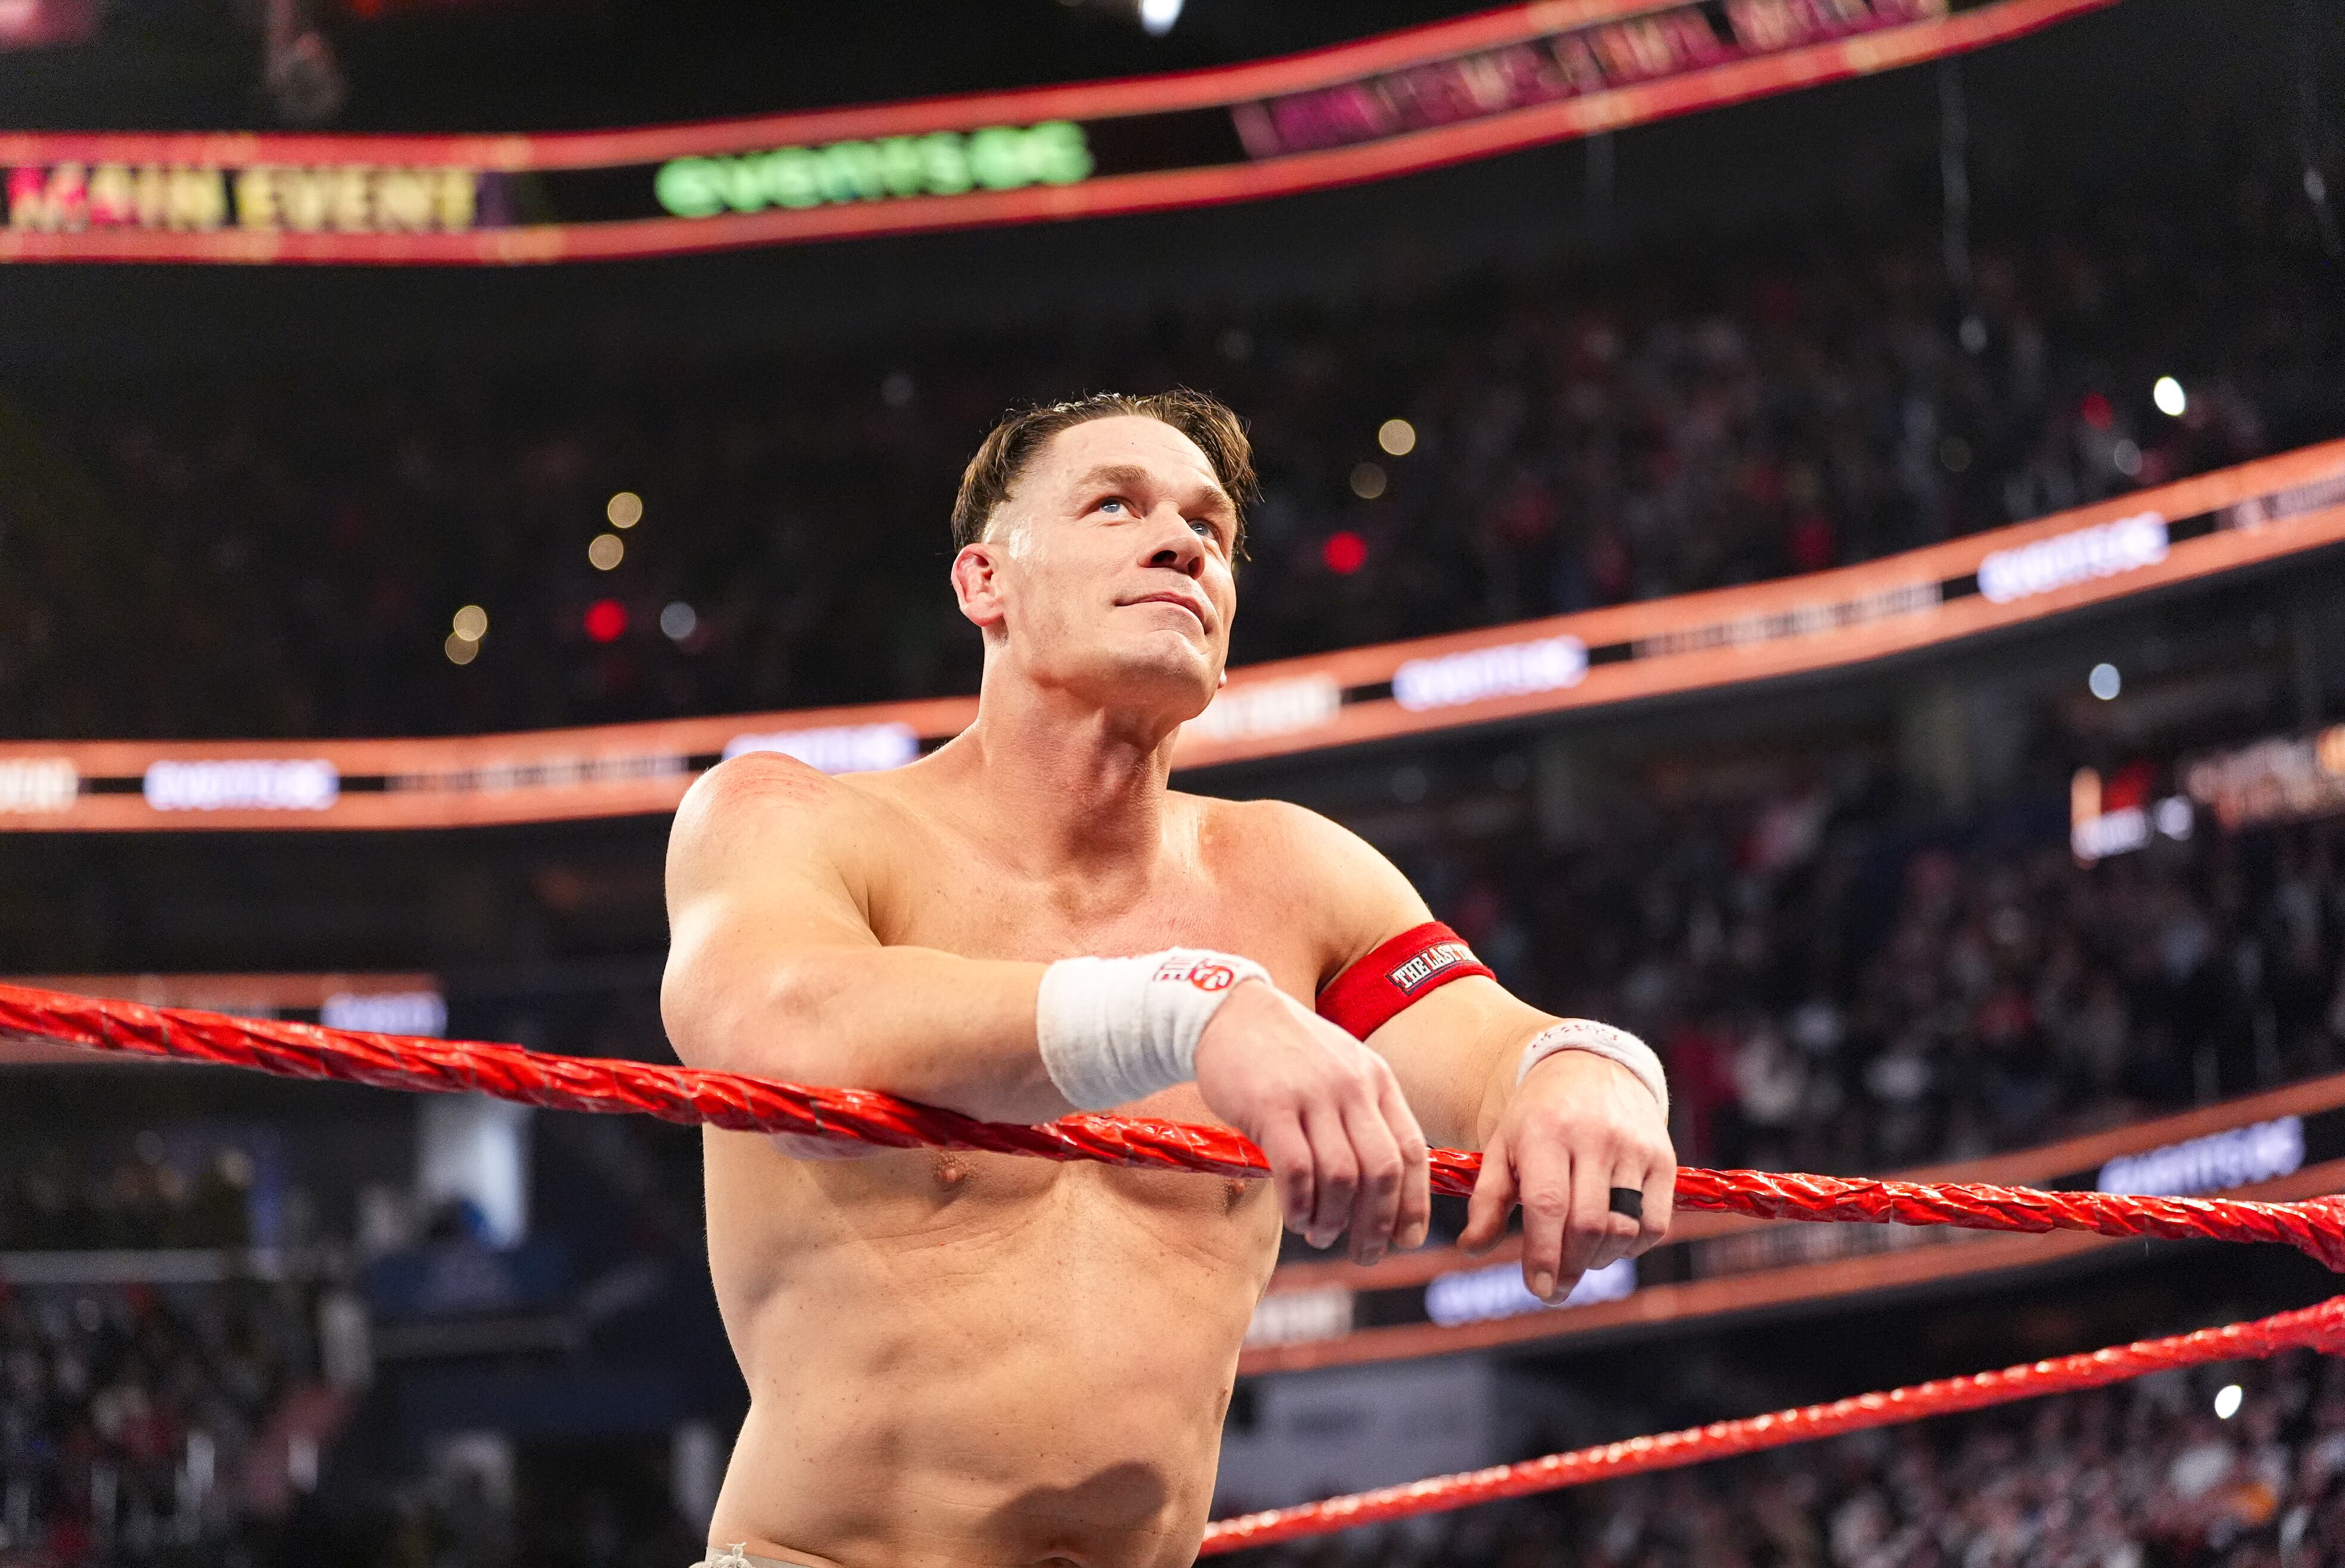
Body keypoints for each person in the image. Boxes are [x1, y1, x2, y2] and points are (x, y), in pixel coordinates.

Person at [660, 391, 1677, 1568]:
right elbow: (775, 1023)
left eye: (1210, 527)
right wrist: (1186, 1007)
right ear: (984, 582)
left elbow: (1500, 1049)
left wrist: (1590, 1070)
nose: (1180, 540)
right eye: (1114, 504)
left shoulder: (1295, 874)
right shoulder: (793, 818)